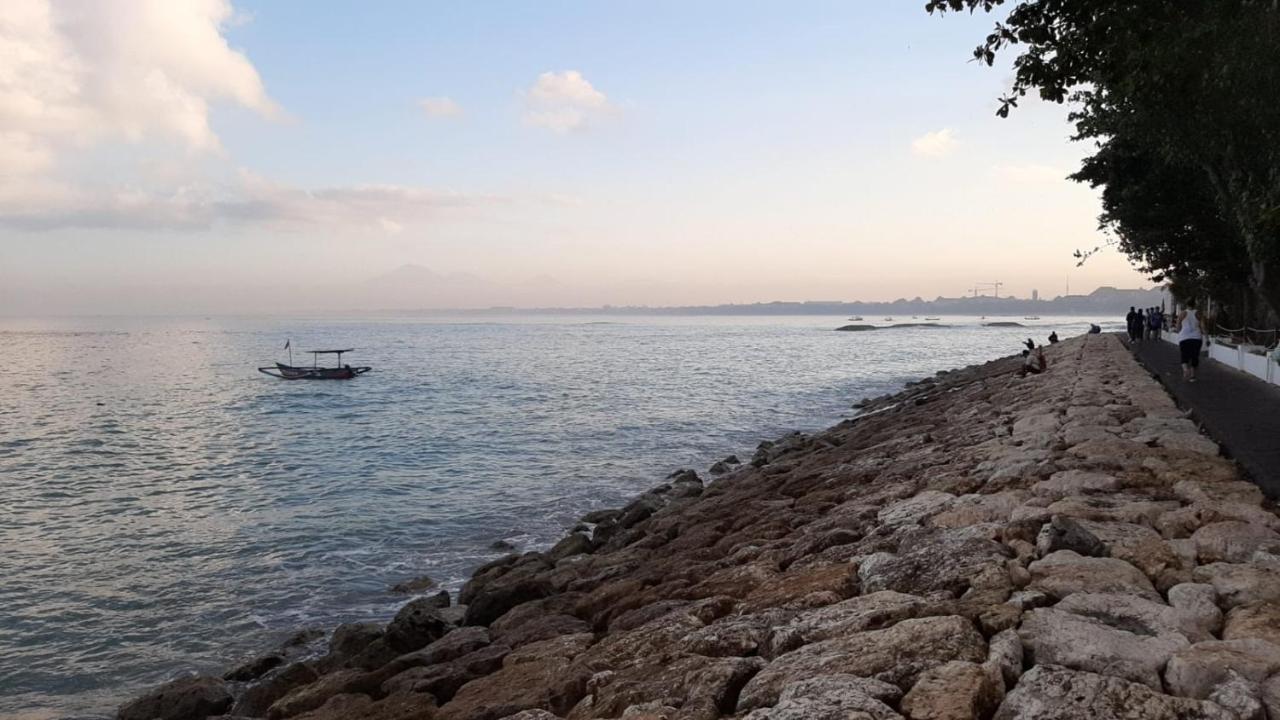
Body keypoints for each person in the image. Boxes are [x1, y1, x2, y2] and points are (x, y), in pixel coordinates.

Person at [1176, 301, 1206, 382]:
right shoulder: (1198, 313)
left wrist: (1180, 331)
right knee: (1194, 356)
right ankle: (1192, 376)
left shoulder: (1182, 313)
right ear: (1194, 305)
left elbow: (1178, 327)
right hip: (1197, 338)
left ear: (1187, 304)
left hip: (1184, 338)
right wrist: (1207, 338)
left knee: (1184, 355)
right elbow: (1203, 327)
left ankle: (1185, 370)